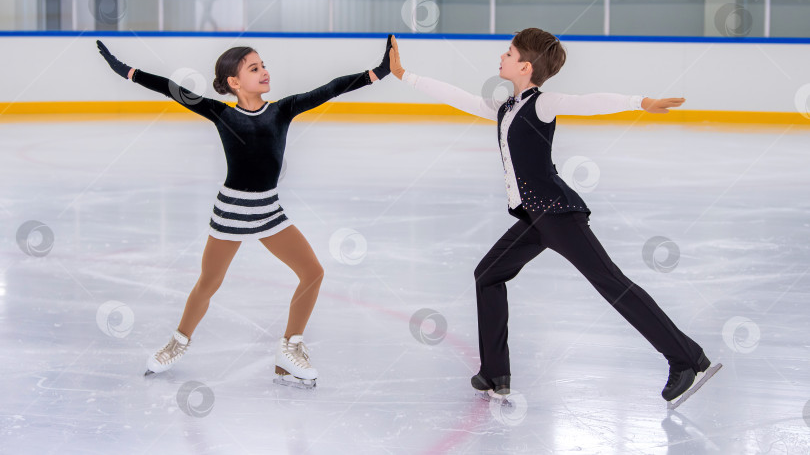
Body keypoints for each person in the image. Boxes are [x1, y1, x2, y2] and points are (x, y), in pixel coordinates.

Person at [387, 29, 720, 407]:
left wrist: (640, 102)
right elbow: (457, 97)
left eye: (509, 53)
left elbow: (589, 102)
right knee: (488, 274)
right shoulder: (504, 108)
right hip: (534, 218)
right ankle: (495, 372)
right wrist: (404, 75)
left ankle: (687, 360)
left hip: (557, 216)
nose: (502, 55)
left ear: (525, 66)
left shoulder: (542, 104)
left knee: (611, 282)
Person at [96, 35, 394, 388]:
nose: (264, 71)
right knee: (208, 283)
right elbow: (169, 87)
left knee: (312, 272)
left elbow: (331, 88)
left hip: (269, 210)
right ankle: (177, 343)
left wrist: (380, 71)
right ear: (234, 83)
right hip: (231, 213)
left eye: (263, 65)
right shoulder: (219, 113)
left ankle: (290, 348)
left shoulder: (283, 109)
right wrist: (125, 70)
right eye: (254, 68)